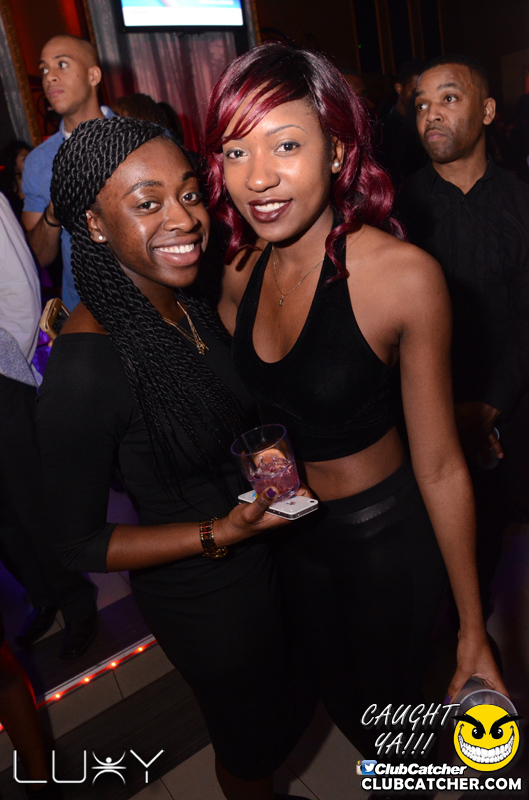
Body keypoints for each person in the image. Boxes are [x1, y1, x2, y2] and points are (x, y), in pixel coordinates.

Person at [204, 43, 506, 761]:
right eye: (236, 151)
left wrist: (473, 631)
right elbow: (255, 404)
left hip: (384, 544)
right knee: (340, 703)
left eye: (285, 145)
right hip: (290, 535)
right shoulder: (240, 271)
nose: (257, 177)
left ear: (338, 151)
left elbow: (440, 466)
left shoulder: (402, 278)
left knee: (394, 731)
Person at [36, 115, 313, 800]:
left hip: (265, 559)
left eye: (188, 194)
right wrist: (219, 531)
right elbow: (77, 542)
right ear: (95, 225)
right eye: (147, 202)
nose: (184, 218)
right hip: (206, 601)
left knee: (288, 713)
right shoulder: (87, 366)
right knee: (249, 751)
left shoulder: (182, 302)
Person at [398, 54, 529, 610]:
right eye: (421, 104)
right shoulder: (396, 211)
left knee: (492, 549)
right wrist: (444, 412)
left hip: (511, 413)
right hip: (422, 418)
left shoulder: (522, 202)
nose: (431, 114)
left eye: (449, 98)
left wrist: (489, 406)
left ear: (489, 111)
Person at [0, 192, 97, 660]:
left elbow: (20, 287)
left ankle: (76, 600)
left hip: (2, 375)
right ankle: (42, 594)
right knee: (3, 515)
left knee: (30, 500)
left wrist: (9, 368)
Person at [21, 35, 114, 312]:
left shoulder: (143, 140)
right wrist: (52, 215)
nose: (49, 77)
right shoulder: (38, 161)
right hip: (86, 315)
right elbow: (37, 257)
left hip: (157, 306)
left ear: (93, 75)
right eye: (44, 69)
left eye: (61, 64)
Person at [377, 58, 427, 186]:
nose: (420, 98)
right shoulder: (382, 131)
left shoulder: (429, 122)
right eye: (415, 92)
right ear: (399, 88)